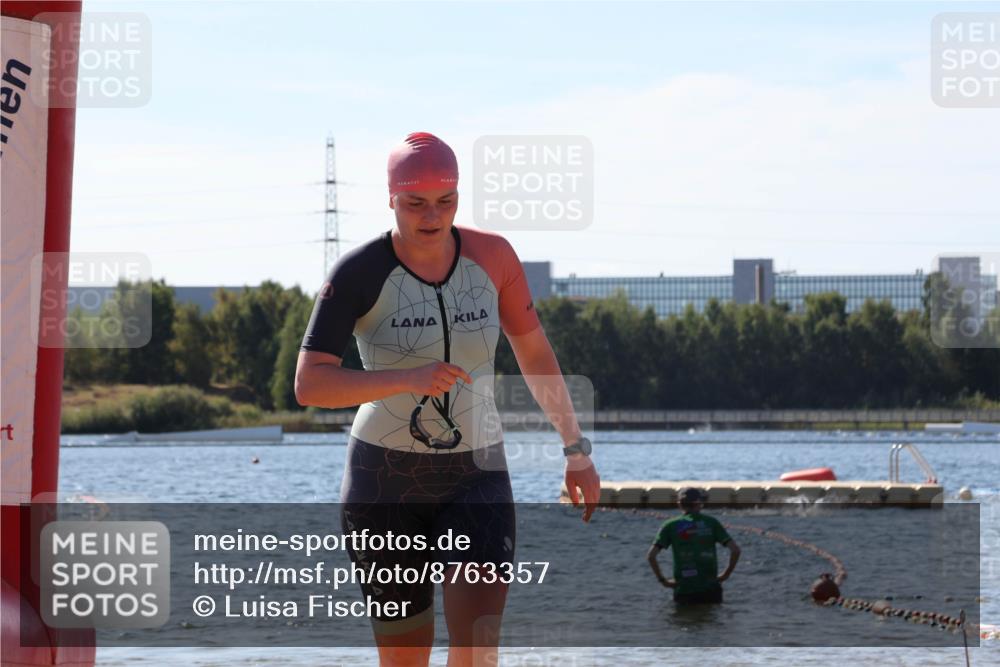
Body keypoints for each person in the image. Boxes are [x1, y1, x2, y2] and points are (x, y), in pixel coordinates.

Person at [294, 131, 601, 667]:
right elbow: (310, 384)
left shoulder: (493, 257)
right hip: (383, 482)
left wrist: (575, 450)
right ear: (391, 198)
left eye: (446, 200)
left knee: (478, 653)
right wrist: (406, 378)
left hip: (477, 476)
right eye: (416, 203)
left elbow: (534, 352)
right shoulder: (359, 272)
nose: (432, 216)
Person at [646, 487, 740, 605]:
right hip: (711, 588)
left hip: (684, 589)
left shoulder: (670, 525)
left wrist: (663, 580)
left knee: (683, 616)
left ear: (679, 504)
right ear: (700, 503)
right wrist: (726, 575)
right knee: (712, 615)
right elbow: (735, 550)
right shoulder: (711, 522)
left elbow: (651, 556)